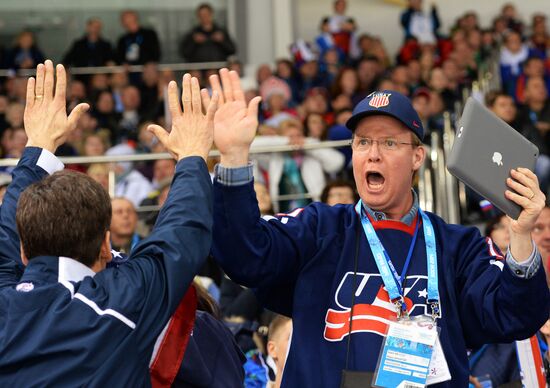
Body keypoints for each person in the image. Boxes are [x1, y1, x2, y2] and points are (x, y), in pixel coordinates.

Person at [206, 69, 550, 387]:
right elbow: (244, 255)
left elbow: (516, 316)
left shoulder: (457, 246)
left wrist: (520, 235)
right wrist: (235, 157)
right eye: (362, 142)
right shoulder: (317, 228)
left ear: (417, 157)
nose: (372, 154)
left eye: (388, 143)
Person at [0, 61, 219, 385]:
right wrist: (192, 154)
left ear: (22, 250)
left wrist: (39, 146)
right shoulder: (123, 300)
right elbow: (180, 234)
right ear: (106, 246)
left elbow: (6, 229)